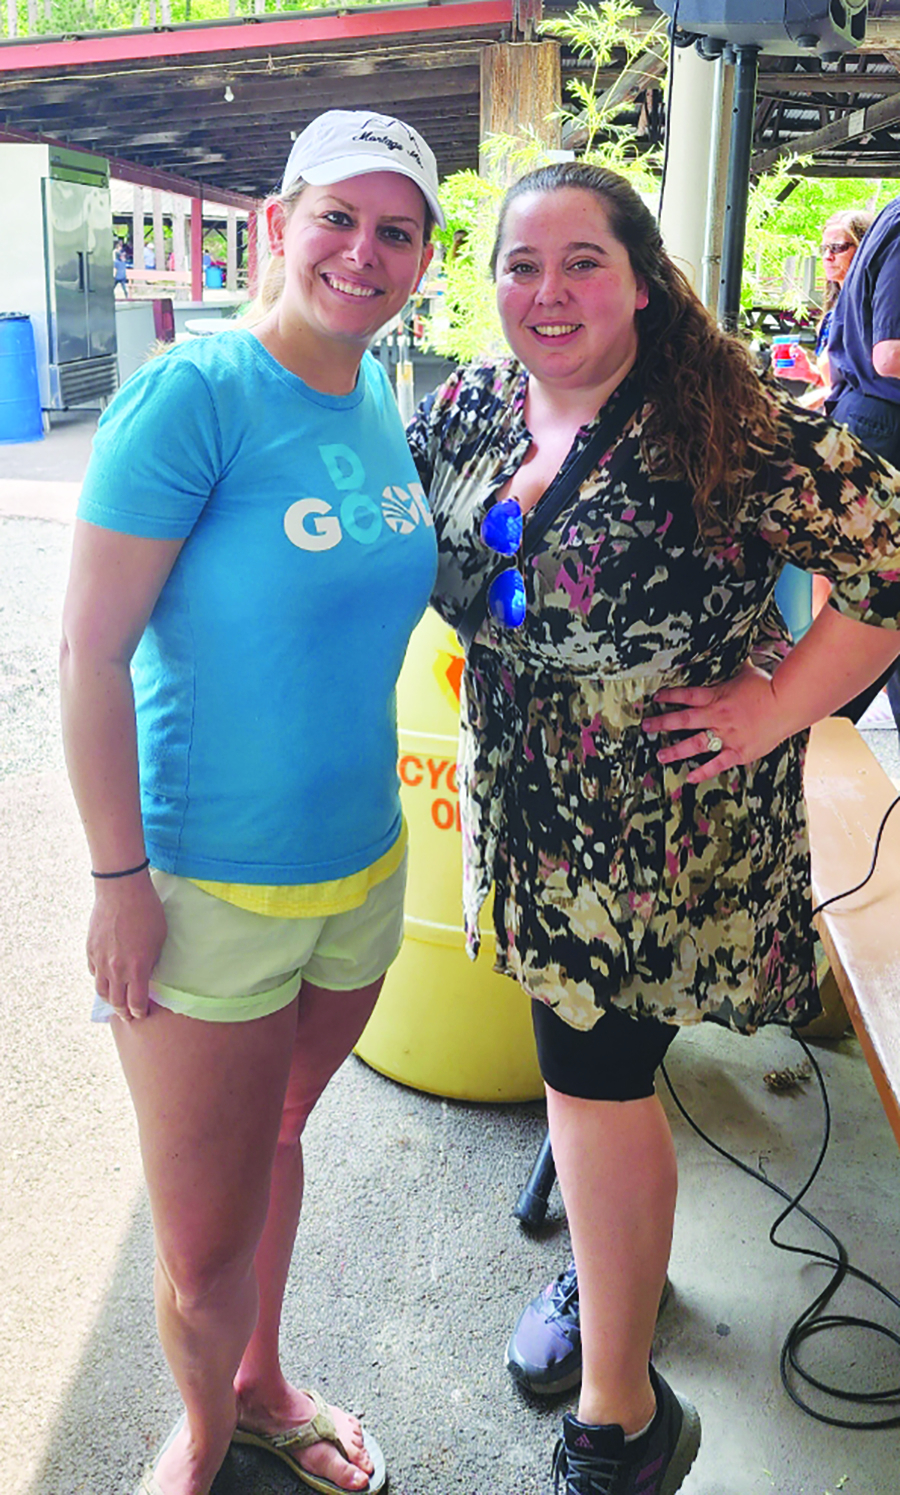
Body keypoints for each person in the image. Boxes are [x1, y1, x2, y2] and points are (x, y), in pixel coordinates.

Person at [407, 161, 900, 1495]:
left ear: (640, 281)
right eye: (522, 264)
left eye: (584, 261)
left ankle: (622, 1419)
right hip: (529, 813)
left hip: (663, 835)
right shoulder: (469, 403)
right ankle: (613, 1264)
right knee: (588, 1078)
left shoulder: (722, 422)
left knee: (595, 1079)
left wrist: (776, 705)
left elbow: (890, 556)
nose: (549, 290)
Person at [60, 110, 441, 1495]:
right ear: (279, 224)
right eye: (337, 216)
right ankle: (203, 1432)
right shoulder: (196, 394)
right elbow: (89, 652)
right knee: (201, 1241)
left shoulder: (379, 391)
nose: (362, 251)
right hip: (206, 886)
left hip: (362, 869)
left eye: (396, 231)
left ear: (422, 259)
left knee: (281, 1136)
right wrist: (118, 882)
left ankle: (264, 1383)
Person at [774, 209, 872, 410]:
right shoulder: (834, 312)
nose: (828, 256)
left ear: (864, 249)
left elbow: (869, 389)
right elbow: (837, 385)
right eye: (824, 249)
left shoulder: (872, 311)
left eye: (837, 248)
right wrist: (809, 373)